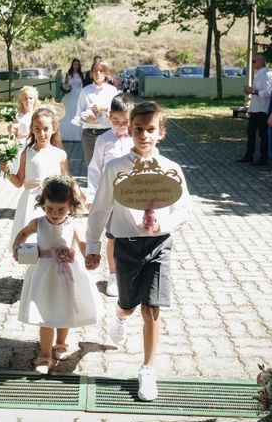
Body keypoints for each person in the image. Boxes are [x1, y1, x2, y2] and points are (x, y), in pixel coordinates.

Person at [85, 101, 191, 401]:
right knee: (130, 305)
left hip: (159, 244)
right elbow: (101, 209)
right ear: (129, 130)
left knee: (152, 308)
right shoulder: (115, 167)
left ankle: (147, 369)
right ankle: (119, 317)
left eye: (150, 129)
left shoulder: (172, 169)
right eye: (138, 129)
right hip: (126, 244)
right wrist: (92, 245)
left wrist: (164, 220)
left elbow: (184, 209)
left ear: (161, 132)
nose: (144, 135)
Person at [13, 175, 103, 374]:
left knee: (64, 309)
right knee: (45, 313)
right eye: (49, 209)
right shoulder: (38, 223)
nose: (54, 214)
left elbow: (81, 244)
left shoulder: (72, 224)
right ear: (43, 204)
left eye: (60, 209)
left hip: (66, 275)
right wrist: (17, 244)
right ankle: (45, 355)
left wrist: (89, 255)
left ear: (71, 207)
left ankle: (61, 343)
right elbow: (23, 233)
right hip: (43, 275)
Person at [86, 93, 135, 297]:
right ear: (109, 116)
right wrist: (92, 196)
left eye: (125, 122)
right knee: (113, 237)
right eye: (116, 121)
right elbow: (95, 170)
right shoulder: (103, 140)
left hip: (135, 198)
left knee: (134, 237)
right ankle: (114, 276)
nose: (121, 126)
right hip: (112, 197)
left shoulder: (138, 138)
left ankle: (131, 275)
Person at [1, 107, 70, 249]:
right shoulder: (27, 153)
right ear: (32, 129)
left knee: (52, 240)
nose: (42, 133)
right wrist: (7, 172)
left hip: (53, 202)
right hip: (30, 203)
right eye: (37, 129)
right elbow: (19, 182)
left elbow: (67, 181)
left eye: (45, 128)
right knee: (32, 243)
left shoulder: (60, 154)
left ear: (54, 128)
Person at [77, 60, 119, 166]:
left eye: (101, 70)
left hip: (108, 133)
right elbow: (78, 115)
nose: (98, 73)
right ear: (91, 73)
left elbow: (118, 115)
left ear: (106, 73)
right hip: (89, 135)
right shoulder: (85, 91)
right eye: (95, 70)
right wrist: (86, 119)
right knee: (92, 168)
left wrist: (105, 108)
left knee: (109, 166)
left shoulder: (112, 91)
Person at [238, 53, 272, 165]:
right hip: (255, 108)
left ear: (261, 61)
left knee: (262, 134)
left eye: (254, 61)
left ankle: (263, 157)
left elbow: (268, 92)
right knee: (251, 132)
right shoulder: (258, 73)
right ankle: (249, 155)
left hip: (262, 109)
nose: (253, 64)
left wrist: (252, 91)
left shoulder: (267, 74)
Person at [8, 86, 38, 174]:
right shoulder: (18, 116)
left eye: (31, 98)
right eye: (25, 98)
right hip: (21, 146)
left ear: (35, 100)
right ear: (21, 100)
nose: (28, 101)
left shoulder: (37, 114)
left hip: (35, 143)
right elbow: (14, 134)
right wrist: (11, 131)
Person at [60, 59, 84, 141]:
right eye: (75, 64)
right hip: (70, 95)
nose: (76, 66)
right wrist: (66, 88)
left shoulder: (81, 74)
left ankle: (77, 134)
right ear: (72, 65)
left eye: (77, 64)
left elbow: (82, 86)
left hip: (78, 95)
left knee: (77, 112)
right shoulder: (68, 74)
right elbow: (65, 84)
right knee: (68, 113)